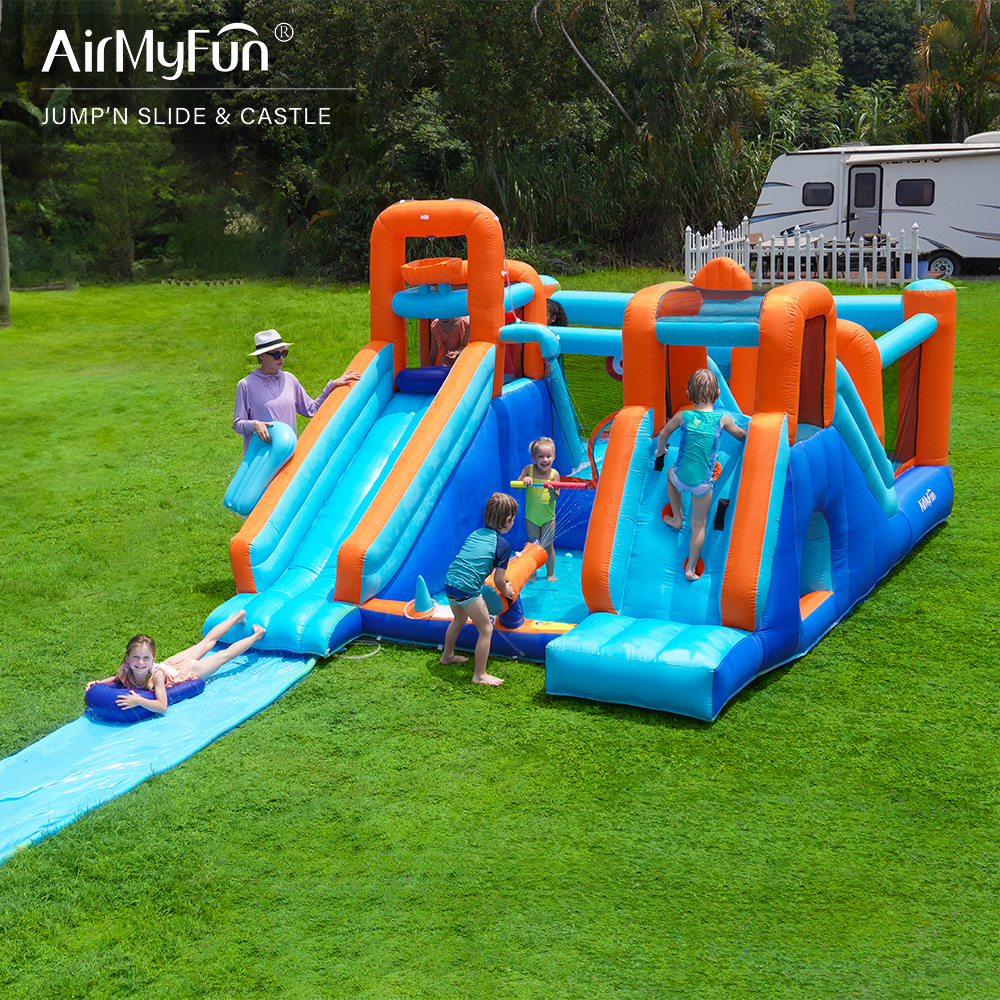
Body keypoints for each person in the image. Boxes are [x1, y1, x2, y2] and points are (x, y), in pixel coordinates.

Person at [653, 368, 747, 581]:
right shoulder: (722, 420)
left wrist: (660, 451)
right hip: (702, 485)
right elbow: (740, 435)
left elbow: (665, 432)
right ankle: (690, 568)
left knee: (669, 474)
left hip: (680, 477)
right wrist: (750, 435)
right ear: (717, 395)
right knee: (699, 524)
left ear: (688, 394)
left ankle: (677, 516)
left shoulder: (683, 416)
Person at [85, 610, 266, 714]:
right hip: (173, 662)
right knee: (206, 643)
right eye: (135, 657)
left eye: (146, 658)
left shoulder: (156, 676)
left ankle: (257, 634)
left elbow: (162, 707)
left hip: (185, 670)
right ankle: (237, 618)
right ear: (127, 659)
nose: (140, 662)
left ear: (153, 660)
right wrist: (99, 683)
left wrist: (139, 700)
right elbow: (116, 680)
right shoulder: (125, 669)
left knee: (223, 656)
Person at [233, 329, 360, 454]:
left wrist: (331, 386)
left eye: (284, 354)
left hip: (288, 454)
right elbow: (238, 424)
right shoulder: (246, 385)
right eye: (276, 355)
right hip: (262, 459)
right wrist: (254, 424)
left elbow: (311, 409)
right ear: (262, 357)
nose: (281, 359)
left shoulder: (290, 379)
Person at [439, 493, 518, 687]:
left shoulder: (476, 533)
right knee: (486, 629)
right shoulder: (502, 545)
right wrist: (506, 591)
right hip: (467, 589)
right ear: (508, 521)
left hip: (450, 582)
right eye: (513, 519)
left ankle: (447, 656)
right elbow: (499, 580)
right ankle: (480, 675)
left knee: (458, 620)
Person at [519, 437, 560, 582]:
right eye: (541, 456)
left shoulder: (554, 474)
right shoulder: (528, 470)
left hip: (548, 517)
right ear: (533, 458)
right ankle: (532, 574)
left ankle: (550, 574)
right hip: (532, 517)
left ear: (554, 457)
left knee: (548, 546)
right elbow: (517, 487)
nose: (545, 459)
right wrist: (524, 481)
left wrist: (551, 490)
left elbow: (556, 498)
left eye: (549, 456)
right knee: (533, 546)